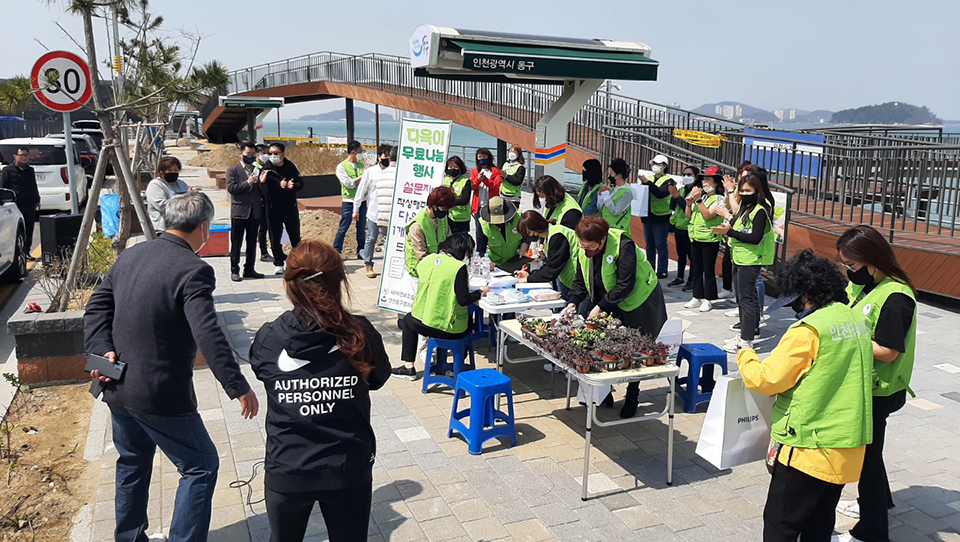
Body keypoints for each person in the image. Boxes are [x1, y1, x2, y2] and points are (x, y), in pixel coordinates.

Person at [84, 192, 259, 542]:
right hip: (160, 393)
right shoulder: (193, 269)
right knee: (201, 465)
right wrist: (237, 385)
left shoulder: (131, 254)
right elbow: (208, 332)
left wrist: (101, 349)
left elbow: (95, 308)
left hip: (117, 385)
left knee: (132, 464)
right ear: (204, 226)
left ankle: (129, 538)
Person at [249, 239, 390, 542]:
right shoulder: (360, 333)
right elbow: (378, 379)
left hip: (288, 469)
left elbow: (263, 373)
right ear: (339, 281)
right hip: (347, 468)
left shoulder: (268, 339)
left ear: (289, 286)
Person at [735, 249, 873, 541]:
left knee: (780, 523)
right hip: (846, 444)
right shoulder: (854, 321)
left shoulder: (808, 330)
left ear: (805, 296)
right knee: (819, 522)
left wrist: (745, 356)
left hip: (808, 446)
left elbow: (767, 379)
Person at [834, 225, 917, 542]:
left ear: (873, 260)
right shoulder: (868, 286)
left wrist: (842, 337)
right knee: (872, 452)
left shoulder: (895, 297)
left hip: (878, 390)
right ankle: (882, 501)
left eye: (852, 266)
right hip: (864, 385)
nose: (848, 272)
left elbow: (887, 350)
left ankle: (871, 531)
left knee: (866, 460)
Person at [563, 216, 667, 418]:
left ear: (602, 240)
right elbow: (580, 279)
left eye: (591, 247)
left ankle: (632, 394)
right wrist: (572, 302)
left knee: (635, 348)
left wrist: (600, 307)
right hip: (610, 298)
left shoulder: (623, 245)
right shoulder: (584, 248)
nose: (587, 251)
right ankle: (605, 392)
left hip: (639, 300)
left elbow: (625, 284)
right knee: (605, 345)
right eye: (584, 246)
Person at [394, 234, 489, 380]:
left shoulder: (427, 260)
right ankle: (459, 364)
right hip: (449, 328)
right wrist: (480, 292)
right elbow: (463, 300)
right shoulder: (458, 267)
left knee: (407, 321)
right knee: (468, 323)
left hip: (422, 321)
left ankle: (409, 367)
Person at [713, 172, 776, 353]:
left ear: (757, 191)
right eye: (742, 190)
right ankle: (746, 333)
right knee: (743, 298)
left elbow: (755, 237)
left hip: (750, 260)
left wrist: (729, 232)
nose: (745, 193)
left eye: (748, 190)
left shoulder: (760, 210)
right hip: (739, 257)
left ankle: (746, 341)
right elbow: (739, 225)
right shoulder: (744, 208)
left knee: (746, 299)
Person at [684, 166, 725, 313]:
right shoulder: (702, 197)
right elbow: (688, 216)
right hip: (695, 236)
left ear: (716, 182)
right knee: (695, 269)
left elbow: (708, 215)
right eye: (703, 179)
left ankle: (708, 299)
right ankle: (697, 296)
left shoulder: (719, 199)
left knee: (708, 271)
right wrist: (689, 204)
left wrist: (698, 199)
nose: (704, 182)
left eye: (708, 179)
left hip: (709, 239)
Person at [515, 210, 579, 300]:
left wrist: (528, 279)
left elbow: (551, 270)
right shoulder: (548, 236)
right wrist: (528, 274)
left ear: (535, 229)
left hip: (579, 282)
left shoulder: (557, 237)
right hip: (570, 281)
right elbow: (549, 265)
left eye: (528, 233)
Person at [354, 144, 396, 278]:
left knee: (390, 240)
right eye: (385, 156)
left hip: (390, 213)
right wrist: (356, 209)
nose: (387, 159)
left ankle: (390, 266)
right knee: (371, 238)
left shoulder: (395, 172)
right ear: (379, 157)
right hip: (374, 212)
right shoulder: (370, 172)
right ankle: (368, 264)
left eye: (390, 156)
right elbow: (361, 191)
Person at [226, 142, 266, 282]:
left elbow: (261, 191)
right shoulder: (233, 170)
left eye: (253, 155)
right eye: (248, 154)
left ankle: (249, 269)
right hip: (239, 211)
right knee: (236, 242)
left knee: (251, 242)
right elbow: (232, 189)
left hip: (254, 212)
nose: (250, 157)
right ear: (241, 154)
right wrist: (248, 182)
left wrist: (262, 182)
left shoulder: (257, 169)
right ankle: (234, 270)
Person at [262, 143, 303, 275]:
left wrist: (293, 186)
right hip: (273, 208)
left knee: (295, 237)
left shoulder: (290, 167)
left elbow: (300, 183)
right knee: (275, 237)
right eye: (271, 153)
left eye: (276, 153)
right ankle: (278, 262)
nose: (273, 156)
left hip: (289, 207)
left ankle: (297, 262)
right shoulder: (267, 168)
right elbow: (263, 190)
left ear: (283, 154)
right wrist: (277, 185)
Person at [404, 186, 455, 278]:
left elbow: (450, 242)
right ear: (434, 206)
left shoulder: (442, 219)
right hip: (419, 272)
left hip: (437, 268)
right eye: (444, 209)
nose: (446, 212)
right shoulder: (417, 226)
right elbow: (421, 256)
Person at [638, 154, 676, 278]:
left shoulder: (669, 181)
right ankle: (650, 268)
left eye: (658, 164)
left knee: (661, 244)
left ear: (664, 166)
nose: (655, 166)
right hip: (647, 215)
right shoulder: (648, 178)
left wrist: (647, 183)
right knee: (649, 245)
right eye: (654, 163)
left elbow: (660, 193)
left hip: (661, 217)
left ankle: (662, 270)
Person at [0, 147, 40, 260]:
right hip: (15, 206)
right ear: (15, 156)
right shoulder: (8, 170)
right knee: (19, 231)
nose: (24, 157)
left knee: (29, 229)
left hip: (29, 205)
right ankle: (19, 254)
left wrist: (37, 200)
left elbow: (33, 186)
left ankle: (27, 251)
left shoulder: (30, 170)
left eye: (26, 155)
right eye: (21, 155)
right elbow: (3, 187)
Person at [667, 165, 698, 289]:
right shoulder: (682, 189)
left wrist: (678, 197)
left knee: (691, 256)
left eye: (689, 175)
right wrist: (674, 196)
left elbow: (688, 206)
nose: (686, 177)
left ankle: (691, 280)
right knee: (681, 254)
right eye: (684, 174)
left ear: (695, 177)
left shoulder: (696, 191)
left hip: (689, 228)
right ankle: (680, 277)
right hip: (679, 226)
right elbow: (673, 206)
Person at [478, 196, 528, 272]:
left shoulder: (518, 218)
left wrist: (525, 243)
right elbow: (480, 250)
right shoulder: (483, 225)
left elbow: (529, 234)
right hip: (495, 266)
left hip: (517, 262)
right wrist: (484, 261)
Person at [334, 141, 366, 257]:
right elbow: (348, 184)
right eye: (360, 151)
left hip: (362, 201)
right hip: (349, 201)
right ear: (353, 152)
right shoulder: (341, 167)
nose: (362, 153)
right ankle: (336, 250)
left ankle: (361, 250)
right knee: (343, 227)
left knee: (361, 228)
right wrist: (362, 177)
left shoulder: (361, 166)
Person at [145, 155, 192, 232]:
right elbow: (162, 206)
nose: (173, 172)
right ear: (161, 172)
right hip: (163, 230)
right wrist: (185, 198)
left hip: (181, 227)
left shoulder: (181, 184)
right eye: (169, 170)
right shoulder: (156, 185)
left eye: (175, 170)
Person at [470, 148, 501, 255]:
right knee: (479, 230)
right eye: (480, 157)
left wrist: (485, 180)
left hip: (492, 205)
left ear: (489, 157)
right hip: (478, 205)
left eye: (484, 157)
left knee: (492, 229)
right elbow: (472, 186)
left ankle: (492, 251)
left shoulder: (495, 171)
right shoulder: (474, 171)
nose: (482, 159)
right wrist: (478, 179)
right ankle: (480, 252)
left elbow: (496, 186)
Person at [597, 158, 634, 232]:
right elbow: (600, 208)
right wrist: (601, 195)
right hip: (606, 228)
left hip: (618, 230)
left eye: (611, 174)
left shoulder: (627, 193)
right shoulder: (612, 190)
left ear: (619, 175)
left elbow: (616, 211)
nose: (609, 176)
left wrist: (607, 197)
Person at [442, 156, 472, 235]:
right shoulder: (445, 180)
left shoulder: (465, 181)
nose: (452, 169)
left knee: (460, 242)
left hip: (461, 218)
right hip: (446, 217)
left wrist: (449, 202)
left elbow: (465, 200)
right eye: (450, 167)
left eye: (455, 167)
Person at [255, 144, 273, 263]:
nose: (267, 155)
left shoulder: (267, 166)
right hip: (260, 202)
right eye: (264, 153)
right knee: (263, 228)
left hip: (269, 201)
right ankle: (264, 252)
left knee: (270, 227)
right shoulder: (255, 168)